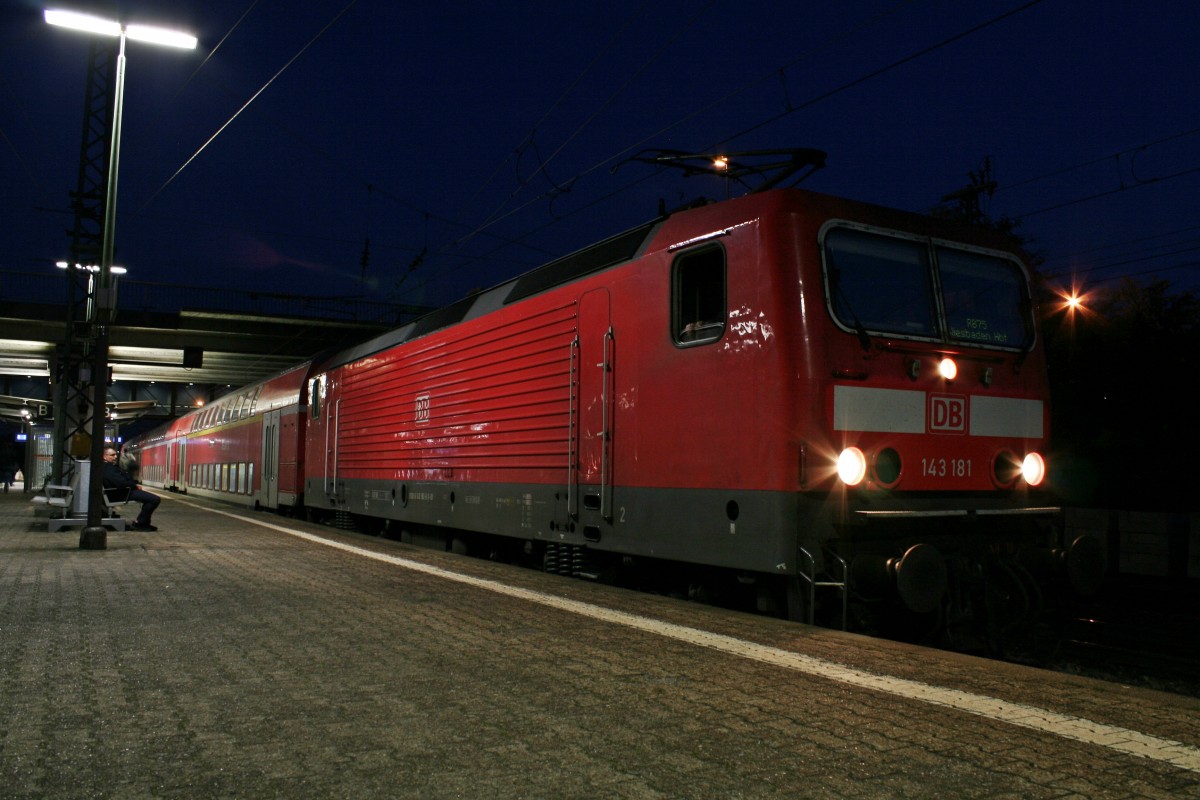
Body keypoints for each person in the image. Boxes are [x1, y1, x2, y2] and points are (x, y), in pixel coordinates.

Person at [102, 446, 160, 531]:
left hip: (119, 492)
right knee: (154, 499)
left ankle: (142, 522)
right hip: (122, 493)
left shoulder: (107, 467)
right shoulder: (108, 468)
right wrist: (134, 486)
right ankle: (141, 523)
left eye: (115, 454)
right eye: (112, 455)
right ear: (104, 456)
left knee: (152, 499)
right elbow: (121, 483)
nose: (115, 457)